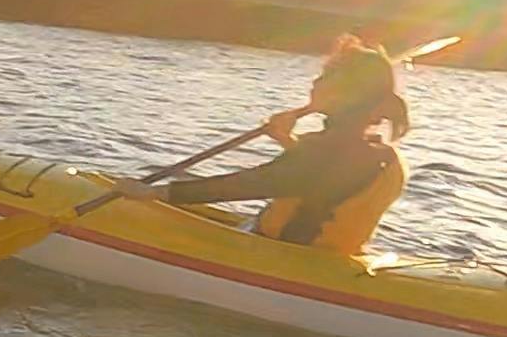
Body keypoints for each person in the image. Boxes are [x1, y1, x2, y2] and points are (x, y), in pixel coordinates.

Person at [116, 38, 414, 255]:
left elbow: (248, 185)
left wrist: (156, 192)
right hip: (327, 255)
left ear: (346, 94)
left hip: (288, 256)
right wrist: (287, 141)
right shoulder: (378, 153)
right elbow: (321, 183)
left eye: (326, 76)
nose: (315, 80)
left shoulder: (325, 152)